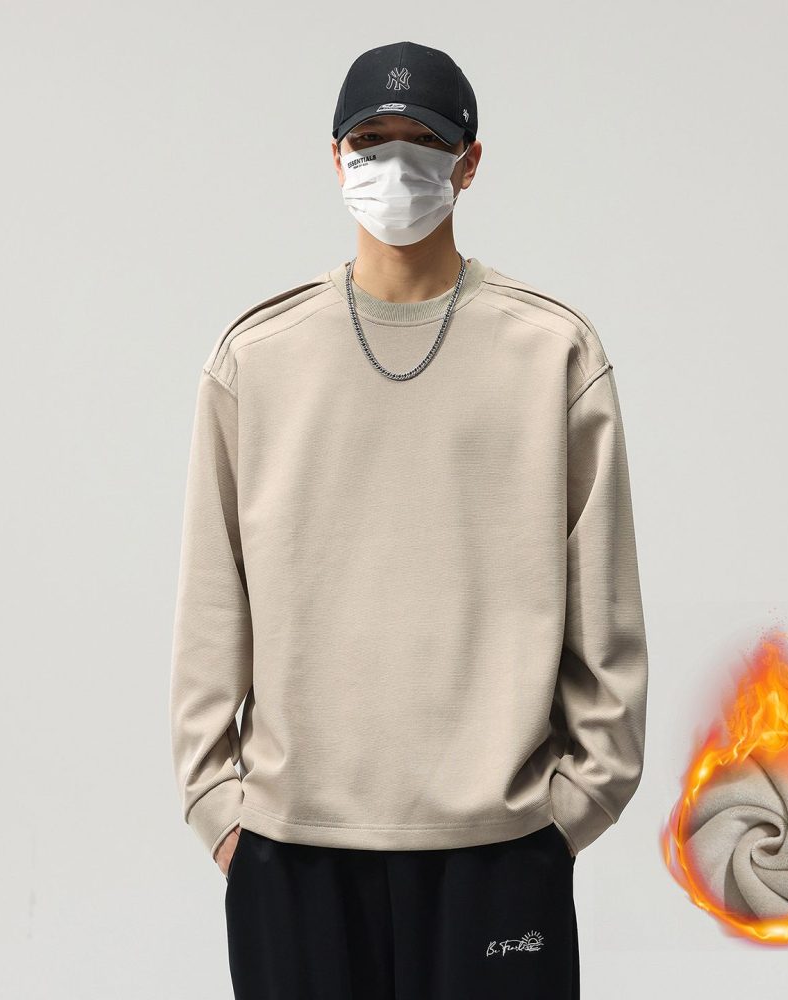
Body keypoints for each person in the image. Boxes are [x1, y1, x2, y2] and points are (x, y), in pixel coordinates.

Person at [169, 39, 649, 1000]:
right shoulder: (258, 358)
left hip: (500, 849)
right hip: (292, 853)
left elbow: (606, 612)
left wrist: (570, 812)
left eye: (424, 141)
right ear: (334, 157)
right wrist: (220, 808)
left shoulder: (552, 353)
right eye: (370, 141)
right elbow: (211, 602)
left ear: (469, 163)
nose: (395, 165)